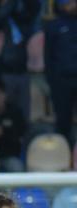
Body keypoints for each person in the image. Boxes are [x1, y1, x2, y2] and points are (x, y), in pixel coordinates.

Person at [43, 0, 77, 143]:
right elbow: (48, 56)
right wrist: (53, 81)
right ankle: (62, 154)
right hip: (61, 82)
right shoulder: (53, 26)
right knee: (63, 121)